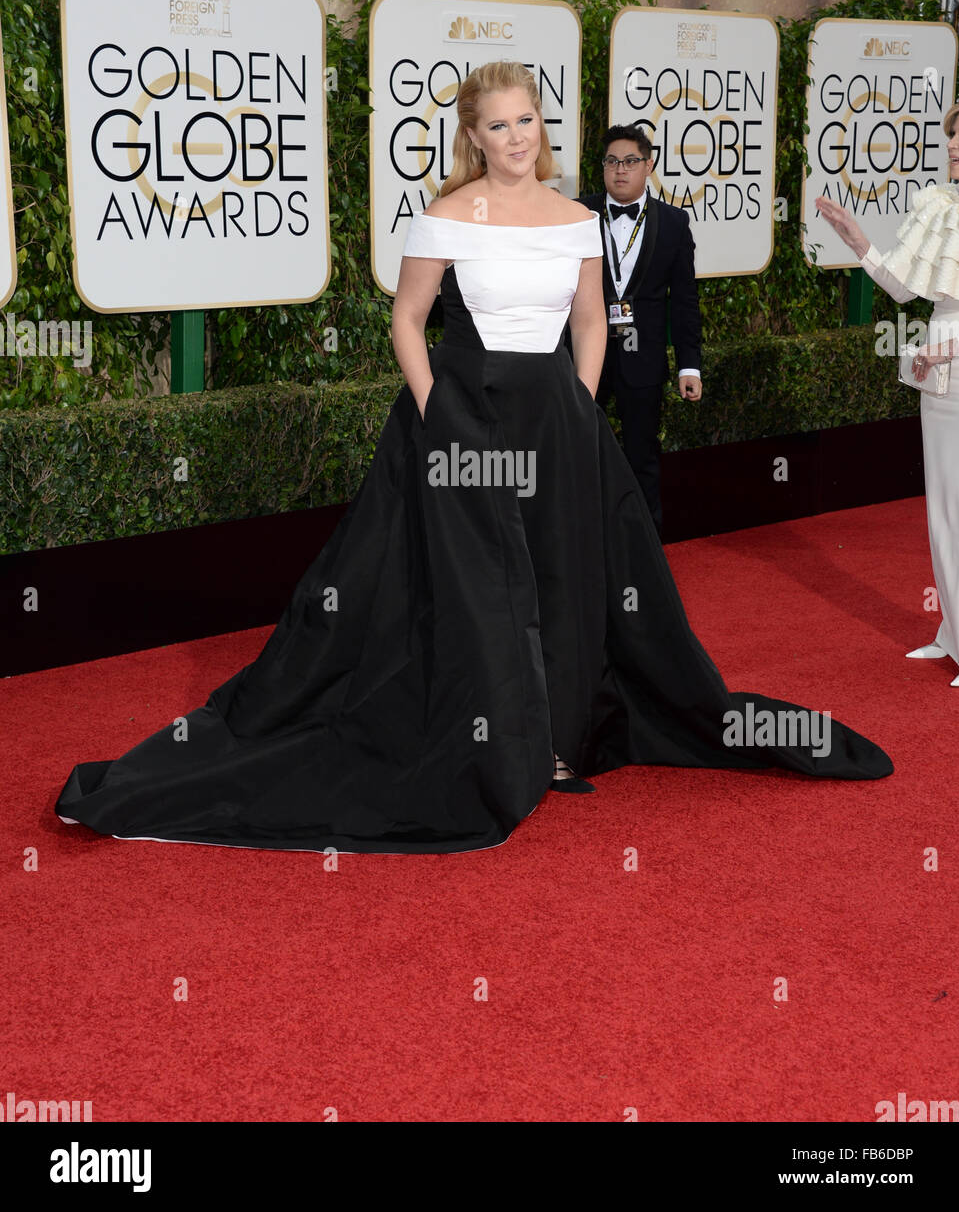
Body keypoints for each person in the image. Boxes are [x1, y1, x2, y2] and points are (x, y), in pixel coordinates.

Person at [54, 60, 892, 857]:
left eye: (527, 119)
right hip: (463, 418)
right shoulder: (448, 213)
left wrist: (577, 404)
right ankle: (488, 735)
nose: (517, 136)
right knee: (476, 588)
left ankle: (557, 746)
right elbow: (407, 321)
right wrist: (433, 412)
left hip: (557, 418)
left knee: (564, 579)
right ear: (475, 136)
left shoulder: (576, 218)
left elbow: (592, 323)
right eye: (499, 125)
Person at [815, 104, 959, 688]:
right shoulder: (942, 206)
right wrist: (856, 238)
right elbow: (904, 288)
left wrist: (948, 350)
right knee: (942, 511)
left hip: (952, 364)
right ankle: (953, 632)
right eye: (952, 135)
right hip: (940, 382)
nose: (953, 145)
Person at [578, 124, 701, 539]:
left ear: (649, 166)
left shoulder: (673, 223)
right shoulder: (579, 215)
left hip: (643, 358)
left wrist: (690, 366)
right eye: (612, 162)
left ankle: (645, 546)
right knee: (578, 451)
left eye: (631, 162)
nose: (620, 171)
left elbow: (684, 301)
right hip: (584, 355)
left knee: (642, 456)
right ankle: (582, 541)